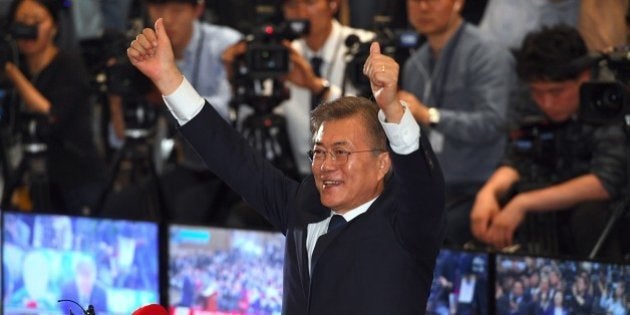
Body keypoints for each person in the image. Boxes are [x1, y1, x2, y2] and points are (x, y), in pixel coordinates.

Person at [127, 17, 446, 314]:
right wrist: (167, 78)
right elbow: (230, 155)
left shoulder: (407, 222)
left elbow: (420, 178)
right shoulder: (304, 205)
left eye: (341, 152)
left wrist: (390, 107)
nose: (325, 165)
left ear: (382, 163)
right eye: (319, 152)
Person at [470, 25, 627, 258]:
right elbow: (518, 156)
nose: (547, 103)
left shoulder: (608, 98)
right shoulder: (528, 97)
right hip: (547, 197)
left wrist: (524, 203)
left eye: (556, 92)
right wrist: (488, 193)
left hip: (605, 211)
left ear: (584, 76)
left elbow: (606, 182)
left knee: (589, 215)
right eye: (538, 92)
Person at [396, 0, 515, 246]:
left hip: (477, 185)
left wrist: (430, 115)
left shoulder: (487, 53)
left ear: (458, 3)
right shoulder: (413, 63)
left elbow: (493, 122)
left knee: (431, 234)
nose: (423, 7)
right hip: (429, 187)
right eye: (414, 1)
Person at [223, 0, 375, 179]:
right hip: (300, 177)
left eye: (309, 2)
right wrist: (236, 77)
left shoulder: (364, 45)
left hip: (356, 176)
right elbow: (255, 125)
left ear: (333, 4)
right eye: (291, 4)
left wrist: (317, 87)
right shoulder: (279, 54)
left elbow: (372, 122)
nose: (300, 12)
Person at [136, 0, 242, 224]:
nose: (166, 20)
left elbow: (227, 112)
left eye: (176, 10)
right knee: (133, 205)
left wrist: (169, 93)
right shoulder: (144, 50)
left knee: (185, 210)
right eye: (158, 8)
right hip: (183, 163)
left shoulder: (226, 44)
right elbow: (119, 138)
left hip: (232, 164)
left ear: (198, 10)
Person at [2, 0, 106, 215]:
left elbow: (52, 116)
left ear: (55, 26)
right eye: (21, 21)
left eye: (36, 21)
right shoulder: (19, 67)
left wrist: (11, 72)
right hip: (35, 177)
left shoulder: (69, 66)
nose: (28, 28)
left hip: (76, 180)